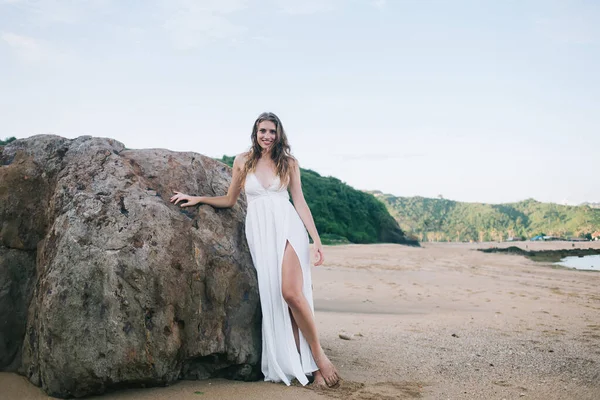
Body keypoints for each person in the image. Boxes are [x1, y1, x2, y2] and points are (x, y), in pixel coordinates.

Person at [170, 112, 340, 388]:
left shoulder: (289, 163)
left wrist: (316, 240)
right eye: (263, 130)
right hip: (260, 234)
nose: (267, 136)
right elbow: (229, 199)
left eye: (272, 131)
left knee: (292, 293)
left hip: (288, 228)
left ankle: (320, 358)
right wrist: (198, 198)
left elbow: (299, 201)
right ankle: (304, 364)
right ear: (255, 132)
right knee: (280, 300)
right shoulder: (243, 161)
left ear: (279, 134)